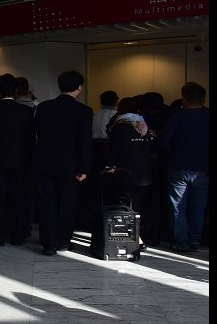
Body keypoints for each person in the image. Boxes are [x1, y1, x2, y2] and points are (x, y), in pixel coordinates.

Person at [33, 70, 92, 255]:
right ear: (79, 88)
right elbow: (84, 142)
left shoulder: (43, 107)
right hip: (71, 165)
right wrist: (84, 167)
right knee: (67, 203)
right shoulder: (84, 111)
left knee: (47, 203)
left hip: (45, 163)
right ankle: (63, 240)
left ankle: (48, 243)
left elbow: (38, 134)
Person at [0, 73, 35, 247]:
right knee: (18, 198)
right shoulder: (27, 112)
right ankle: (18, 235)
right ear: (15, 90)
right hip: (20, 161)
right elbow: (30, 139)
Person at [160, 82, 209, 252]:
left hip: (178, 166)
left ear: (184, 98)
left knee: (177, 207)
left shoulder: (177, 117)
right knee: (198, 207)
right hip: (203, 169)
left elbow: (163, 141)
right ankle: (195, 239)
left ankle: (181, 242)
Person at [104, 97, 153, 249]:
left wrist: (109, 165)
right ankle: (138, 237)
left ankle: (131, 239)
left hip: (124, 173)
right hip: (143, 174)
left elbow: (114, 150)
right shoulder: (144, 126)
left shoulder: (120, 126)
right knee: (137, 206)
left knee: (123, 206)